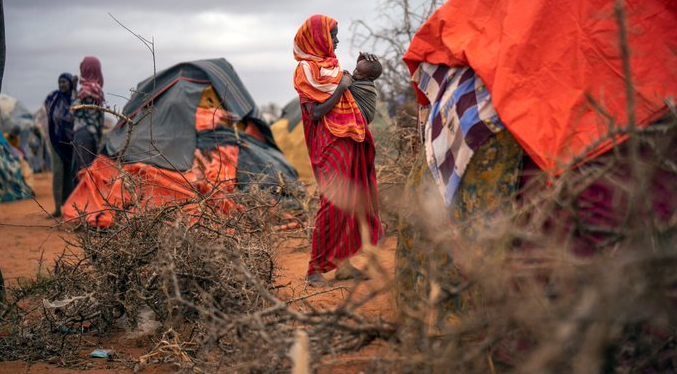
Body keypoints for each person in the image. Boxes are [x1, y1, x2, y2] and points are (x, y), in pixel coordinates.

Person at [293, 14, 383, 286]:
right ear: (319, 37)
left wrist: (362, 70)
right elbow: (317, 112)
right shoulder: (306, 70)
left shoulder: (333, 67)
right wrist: (340, 88)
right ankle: (314, 269)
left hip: (350, 141)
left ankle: (345, 264)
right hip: (329, 144)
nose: (337, 40)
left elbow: (355, 99)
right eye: (333, 36)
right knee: (333, 203)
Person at [44, 72, 76, 217]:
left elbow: (76, 114)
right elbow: (49, 111)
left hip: (71, 144)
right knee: (58, 174)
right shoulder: (54, 97)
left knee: (70, 175)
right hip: (56, 141)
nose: (62, 85)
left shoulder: (74, 98)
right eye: (60, 82)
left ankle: (68, 207)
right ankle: (57, 208)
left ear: (70, 83)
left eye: (65, 82)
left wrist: (75, 90)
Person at [72, 56, 104, 174]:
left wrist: (74, 91)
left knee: (82, 174)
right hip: (90, 136)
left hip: (82, 136)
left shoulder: (86, 90)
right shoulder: (96, 89)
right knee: (87, 173)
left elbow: (74, 110)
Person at [348, 53, 383, 124]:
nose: (355, 72)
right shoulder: (359, 79)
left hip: (362, 116)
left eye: (359, 73)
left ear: (369, 78)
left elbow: (345, 84)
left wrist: (346, 76)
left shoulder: (366, 88)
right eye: (356, 69)